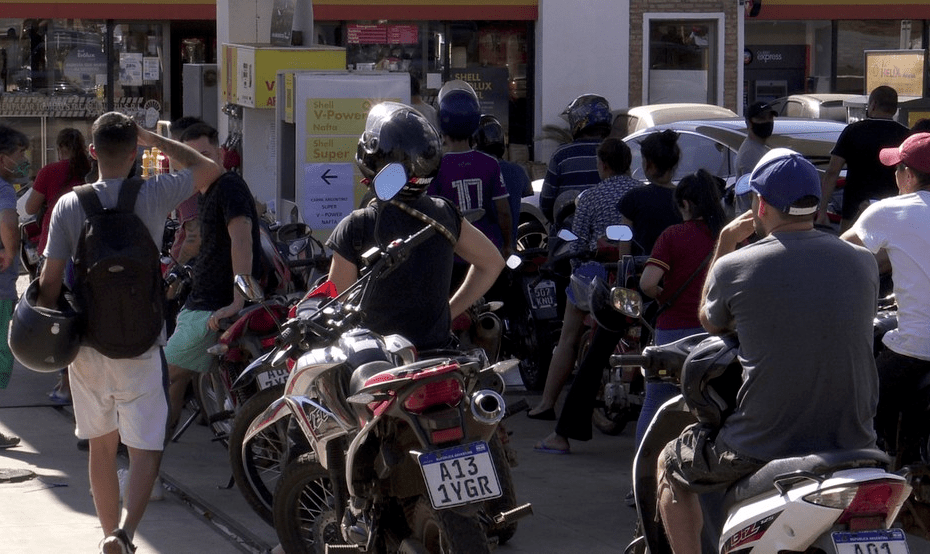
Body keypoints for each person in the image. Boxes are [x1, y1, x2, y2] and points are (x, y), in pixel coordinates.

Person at [657, 149, 879, 554]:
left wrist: (725, 242)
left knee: (671, 463)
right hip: (857, 439)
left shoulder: (737, 264)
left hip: (763, 443)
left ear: (759, 205)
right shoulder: (862, 262)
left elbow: (711, 320)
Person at [37, 111, 222, 553]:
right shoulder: (155, 193)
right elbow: (210, 168)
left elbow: (48, 284)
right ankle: (126, 532)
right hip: (143, 342)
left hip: (88, 345)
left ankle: (106, 535)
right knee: (146, 448)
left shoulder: (70, 203)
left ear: (93, 152)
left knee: (100, 447)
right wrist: (152, 136)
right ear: (137, 152)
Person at [328, 101, 504, 351]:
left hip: (380, 362)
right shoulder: (444, 213)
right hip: (438, 353)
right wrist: (448, 314)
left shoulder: (356, 225)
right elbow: (492, 263)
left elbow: (335, 299)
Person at [528, 137, 641, 422]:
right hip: (634, 275)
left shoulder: (589, 197)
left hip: (596, 273)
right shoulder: (641, 192)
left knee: (568, 337)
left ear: (602, 165)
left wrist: (575, 264)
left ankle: (547, 403)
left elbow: (576, 246)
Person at [164, 122, 266, 430]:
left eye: (206, 155)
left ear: (220, 154)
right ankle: (149, 459)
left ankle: (145, 459)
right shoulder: (206, 192)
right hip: (201, 302)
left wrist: (238, 299)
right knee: (171, 385)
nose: (201, 163)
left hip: (211, 308)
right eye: (191, 157)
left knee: (162, 378)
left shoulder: (228, 187)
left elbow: (242, 239)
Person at [842, 132, 930, 463]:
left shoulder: (888, 211)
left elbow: (840, 257)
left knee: (858, 407)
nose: (894, 177)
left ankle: (873, 472)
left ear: (908, 175)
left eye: (897, 169)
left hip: (917, 349)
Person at [636, 169, 725, 447]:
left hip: (672, 334)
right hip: (716, 336)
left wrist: (664, 295)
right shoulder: (729, 236)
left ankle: (645, 480)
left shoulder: (672, 235)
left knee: (655, 402)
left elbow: (648, 283)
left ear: (685, 204)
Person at [24, 127, 92, 405]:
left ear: (60, 148)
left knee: (56, 317)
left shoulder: (50, 171)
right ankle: (78, 382)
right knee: (83, 315)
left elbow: (30, 208)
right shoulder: (91, 171)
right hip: (88, 250)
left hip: (54, 248)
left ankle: (65, 383)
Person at [428, 81, 512, 285]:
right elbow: (503, 211)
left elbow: (431, 213)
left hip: (452, 253)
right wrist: (508, 245)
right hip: (487, 250)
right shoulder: (490, 163)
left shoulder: (436, 166)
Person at [818, 85, 909, 231]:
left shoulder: (853, 131)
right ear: (895, 108)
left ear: (873, 105)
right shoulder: (906, 135)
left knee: (850, 251)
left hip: (853, 212)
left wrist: (822, 210)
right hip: (893, 213)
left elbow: (832, 172)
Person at [538, 94, 612, 223]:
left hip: (567, 233)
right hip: (607, 235)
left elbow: (546, 202)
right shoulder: (616, 151)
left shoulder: (562, 154)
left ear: (578, 120)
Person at [0, 125, 26, 449]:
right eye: (19, 154)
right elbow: (8, 222)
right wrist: (9, 250)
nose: (22, 160)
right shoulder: (4, 190)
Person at [619, 129, 683, 256]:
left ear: (649, 164)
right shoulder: (684, 198)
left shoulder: (633, 198)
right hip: (679, 270)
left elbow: (624, 250)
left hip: (643, 271)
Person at [473, 114, 532, 246]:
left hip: (478, 250)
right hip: (508, 248)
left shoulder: (470, 171)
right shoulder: (518, 171)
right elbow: (527, 196)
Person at [734, 101, 776, 176]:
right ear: (749, 123)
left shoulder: (761, 147)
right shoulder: (749, 153)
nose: (767, 121)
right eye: (762, 118)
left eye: (770, 117)